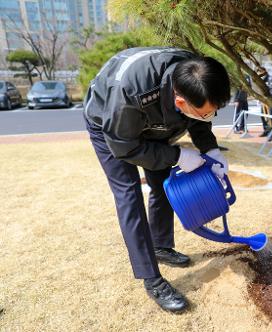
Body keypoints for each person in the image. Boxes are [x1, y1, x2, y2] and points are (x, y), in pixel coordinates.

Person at [83, 47, 231, 313]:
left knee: (163, 183)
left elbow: (199, 118)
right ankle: (151, 279)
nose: (209, 117)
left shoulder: (195, 73)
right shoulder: (129, 92)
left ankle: (161, 245)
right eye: (206, 112)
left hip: (156, 123)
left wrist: (211, 149)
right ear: (180, 101)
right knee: (129, 196)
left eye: (213, 112)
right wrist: (176, 154)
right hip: (112, 130)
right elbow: (125, 147)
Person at [256, 66, 272, 137]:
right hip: (263, 102)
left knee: (270, 118)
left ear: (264, 71)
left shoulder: (270, 79)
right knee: (263, 116)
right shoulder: (261, 80)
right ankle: (266, 131)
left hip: (269, 102)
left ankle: (271, 134)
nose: (259, 74)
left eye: (260, 71)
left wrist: (269, 100)